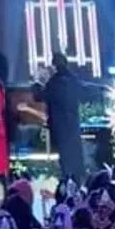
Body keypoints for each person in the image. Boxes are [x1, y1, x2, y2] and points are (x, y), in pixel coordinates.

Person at [33, 50, 85, 181]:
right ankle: (80, 182)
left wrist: (37, 82)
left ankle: (69, 183)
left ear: (54, 66)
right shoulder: (74, 79)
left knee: (66, 160)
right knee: (76, 157)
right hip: (74, 125)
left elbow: (39, 96)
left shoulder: (54, 83)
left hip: (60, 127)